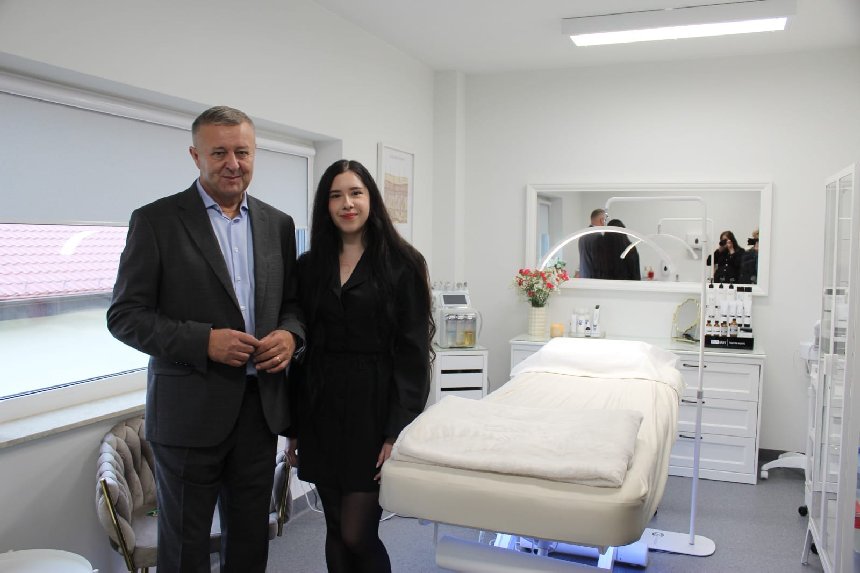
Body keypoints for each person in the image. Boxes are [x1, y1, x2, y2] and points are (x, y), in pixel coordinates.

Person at [107, 106, 305, 573]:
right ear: (196, 156)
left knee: (250, 541)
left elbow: (294, 305)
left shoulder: (278, 224)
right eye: (219, 153)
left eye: (242, 152)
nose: (233, 163)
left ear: (254, 154)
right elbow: (125, 316)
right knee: (185, 547)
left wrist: (290, 335)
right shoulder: (156, 221)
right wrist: (204, 342)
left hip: (259, 412)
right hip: (188, 415)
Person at [287, 159, 432, 573]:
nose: (346, 203)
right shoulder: (309, 266)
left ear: (371, 199)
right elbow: (301, 349)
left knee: (358, 533)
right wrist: (293, 426)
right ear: (325, 205)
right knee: (334, 527)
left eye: (355, 193)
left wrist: (397, 429)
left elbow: (413, 352)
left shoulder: (402, 263)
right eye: (336, 196)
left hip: (373, 408)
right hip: (320, 407)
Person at [578, 208, 606, 278]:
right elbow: (599, 262)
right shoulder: (598, 237)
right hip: (594, 278)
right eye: (605, 220)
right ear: (602, 220)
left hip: (583, 276)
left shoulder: (582, 236)